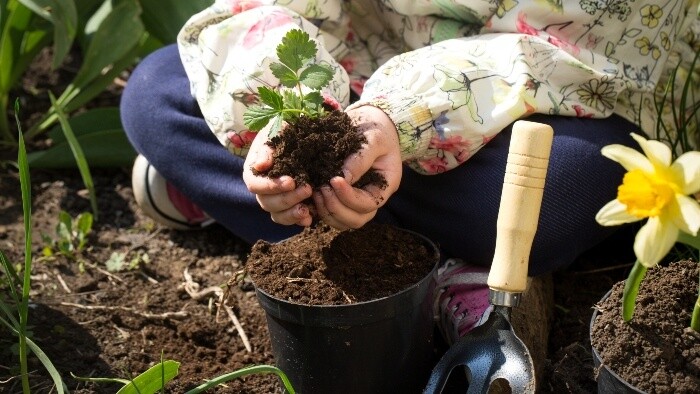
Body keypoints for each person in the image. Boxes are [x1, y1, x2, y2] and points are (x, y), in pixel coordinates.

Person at [121, 1, 699, 344]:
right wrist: (296, 114)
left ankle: (268, 206)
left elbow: (591, 61)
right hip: (360, 76)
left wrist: (403, 118)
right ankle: (441, 257)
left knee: (560, 185)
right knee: (156, 93)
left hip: (559, 94)